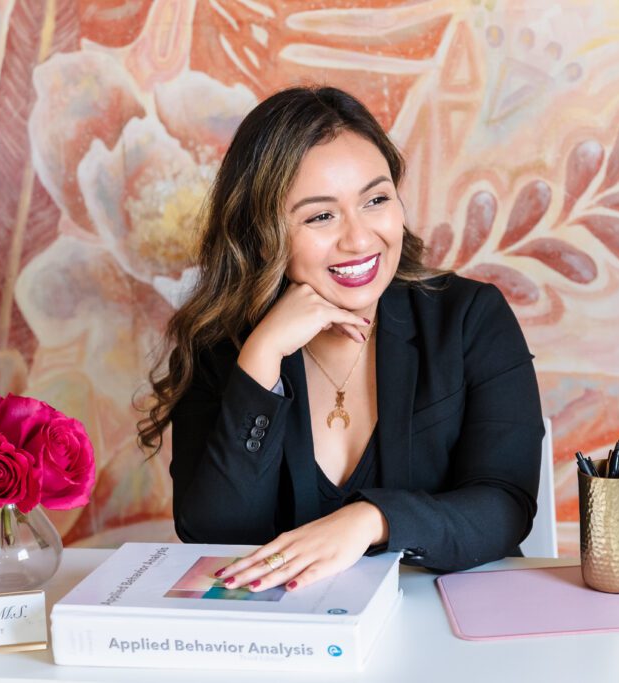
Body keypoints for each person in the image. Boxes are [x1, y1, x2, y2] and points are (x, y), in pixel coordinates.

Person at [139, 86, 544, 594]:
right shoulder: (221, 346)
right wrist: (261, 359)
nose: (358, 238)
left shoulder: (469, 319)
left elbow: (505, 504)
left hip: (449, 636)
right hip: (293, 651)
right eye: (320, 215)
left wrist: (371, 520)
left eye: (375, 200)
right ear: (262, 232)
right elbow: (214, 536)